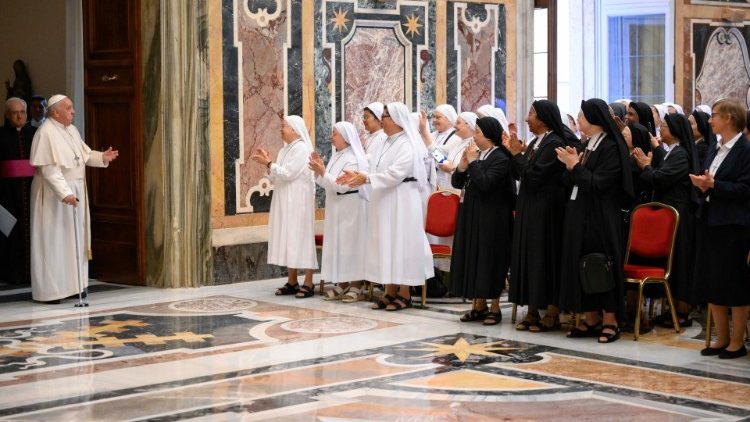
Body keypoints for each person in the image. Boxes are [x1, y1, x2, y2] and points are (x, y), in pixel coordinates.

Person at [337, 102, 434, 311]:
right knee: (385, 243)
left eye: (387, 116)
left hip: (402, 199)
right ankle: (389, 291)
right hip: (383, 198)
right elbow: (370, 164)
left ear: (398, 120)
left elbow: (396, 173)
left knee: (401, 243)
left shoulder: (408, 143)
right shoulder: (383, 142)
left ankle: (405, 293)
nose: (383, 119)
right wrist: (358, 174)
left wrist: (367, 178)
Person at [556, 98, 634, 343]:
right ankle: (590, 319)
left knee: (602, 265)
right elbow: (574, 182)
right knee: (583, 264)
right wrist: (570, 167)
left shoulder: (611, 146)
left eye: (581, 117)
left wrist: (575, 166)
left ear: (593, 120)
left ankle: (610, 321)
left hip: (602, 217)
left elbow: (599, 183)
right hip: (579, 214)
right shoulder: (587, 144)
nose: (578, 121)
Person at [29, 94, 119, 303]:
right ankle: (51, 291)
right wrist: (65, 193)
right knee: (54, 241)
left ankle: (73, 286)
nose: (73, 111)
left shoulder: (71, 130)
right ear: (56, 112)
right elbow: (50, 170)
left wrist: (102, 157)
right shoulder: (46, 133)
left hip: (75, 190)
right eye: (69, 108)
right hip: (54, 195)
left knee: (73, 241)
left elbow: (84, 155)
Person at [690, 99, 750, 359]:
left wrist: (715, 186)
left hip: (734, 225)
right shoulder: (715, 148)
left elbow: (745, 189)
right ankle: (721, 338)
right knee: (713, 281)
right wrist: (703, 185)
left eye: (713, 115)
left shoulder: (745, 151)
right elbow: (712, 180)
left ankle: (737, 342)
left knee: (734, 284)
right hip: (711, 220)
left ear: (728, 118)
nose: (710, 120)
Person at [633, 113, 700, 328]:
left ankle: (682, 311)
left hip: (678, 215)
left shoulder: (680, 154)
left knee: (680, 261)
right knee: (672, 260)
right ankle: (673, 309)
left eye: (664, 127)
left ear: (675, 130)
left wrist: (646, 166)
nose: (660, 130)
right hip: (668, 214)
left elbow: (660, 179)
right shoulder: (672, 152)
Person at [506, 100, 568, 332]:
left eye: (531, 113)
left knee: (545, 257)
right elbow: (519, 173)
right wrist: (514, 154)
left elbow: (535, 175)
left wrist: (517, 156)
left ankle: (552, 312)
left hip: (546, 210)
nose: (526, 118)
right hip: (529, 207)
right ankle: (531, 311)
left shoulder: (555, 142)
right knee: (529, 258)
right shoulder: (535, 142)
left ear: (543, 117)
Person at [451, 116, 514, 325]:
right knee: (474, 258)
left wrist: (474, 163)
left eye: (477, 132)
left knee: (491, 260)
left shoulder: (501, 158)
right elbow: (458, 182)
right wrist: (462, 166)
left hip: (493, 218)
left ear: (488, 134)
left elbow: (486, 183)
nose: (474, 136)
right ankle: (478, 305)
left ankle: (495, 308)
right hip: (472, 214)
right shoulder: (477, 155)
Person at [251, 115, 318, 298]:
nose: (281, 129)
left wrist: (269, 164)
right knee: (289, 238)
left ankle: (309, 282)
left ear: (295, 130)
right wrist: (269, 166)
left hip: (298, 201)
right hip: (284, 199)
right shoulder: (284, 150)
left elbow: (288, 174)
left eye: (284, 126)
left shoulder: (302, 149)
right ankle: (292, 280)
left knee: (301, 238)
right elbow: (275, 177)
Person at [309, 121, 368, 302]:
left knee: (352, 245)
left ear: (345, 137)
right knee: (338, 245)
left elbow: (342, 186)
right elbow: (328, 182)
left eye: (334, 134)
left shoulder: (355, 158)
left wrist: (324, 173)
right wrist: (318, 172)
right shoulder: (336, 156)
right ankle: (342, 284)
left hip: (351, 205)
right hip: (335, 205)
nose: (331, 137)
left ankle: (357, 286)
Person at [0, 98, 36, 285]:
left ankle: (32, 273)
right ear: (7, 115)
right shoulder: (1, 134)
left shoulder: (36, 133)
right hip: (7, 193)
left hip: (32, 190)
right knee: (10, 233)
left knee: (33, 231)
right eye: (14, 113)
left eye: (22, 112)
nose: (19, 116)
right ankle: (12, 273)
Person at [418, 104, 462, 191]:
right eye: (433, 117)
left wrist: (424, 132)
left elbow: (442, 160)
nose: (434, 120)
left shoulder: (456, 137)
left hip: (445, 184)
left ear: (448, 118)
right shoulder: (433, 134)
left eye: (438, 117)